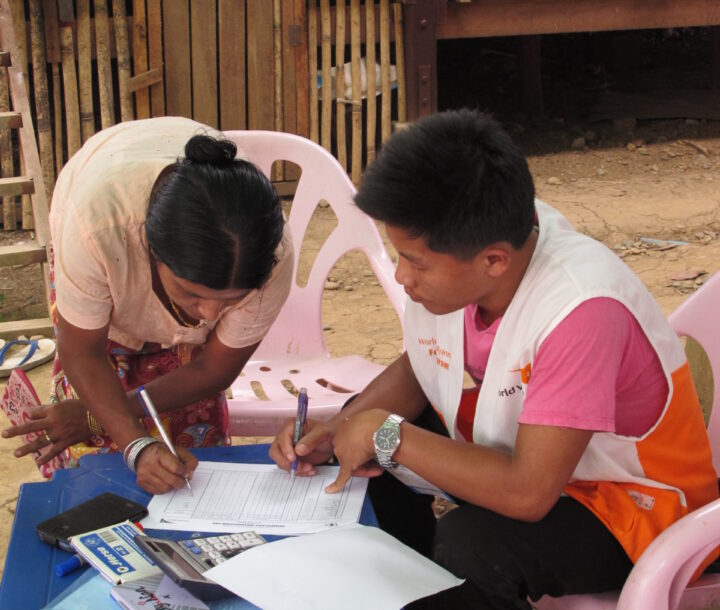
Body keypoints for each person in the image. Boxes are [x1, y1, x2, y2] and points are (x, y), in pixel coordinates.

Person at [270, 109, 719, 608]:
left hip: (627, 505)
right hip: (538, 460)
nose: (401, 277)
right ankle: (403, 588)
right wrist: (339, 428)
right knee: (369, 440)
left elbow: (528, 493)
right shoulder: (482, 246)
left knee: (473, 546)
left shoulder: (582, 310)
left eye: (416, 262)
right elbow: (422, 365)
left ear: (494, 260)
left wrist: (384, 432)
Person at [2, 117, 293, 495]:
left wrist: (96, 419)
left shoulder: (272, 257)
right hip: (100, 211)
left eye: (230, 301)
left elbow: (212, 368)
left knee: (189, 448)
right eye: (192, 294)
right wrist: (133, 443)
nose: (206, 317)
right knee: (100, 468)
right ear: (150, 254)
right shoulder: (97, 231)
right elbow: (85, 353)